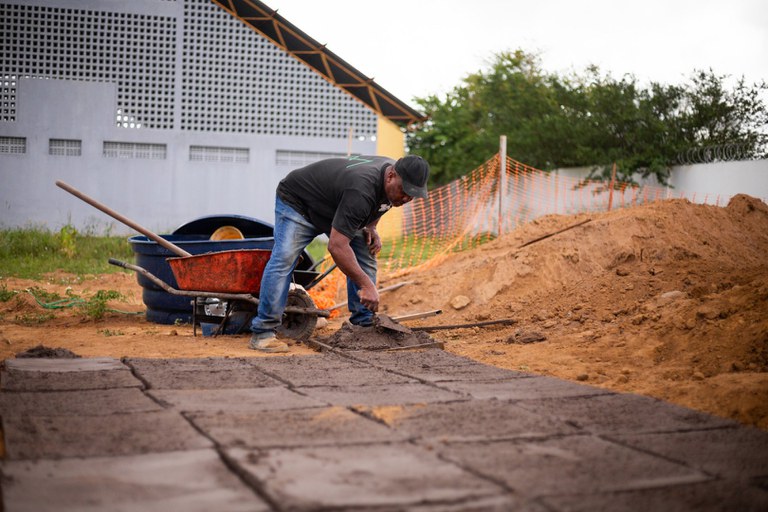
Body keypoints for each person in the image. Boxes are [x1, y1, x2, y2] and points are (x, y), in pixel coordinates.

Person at [249, 154, 430, 353]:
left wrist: (371, 226)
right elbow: (336, 246)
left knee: (365, 251)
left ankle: (363, 324)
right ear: (390, 176)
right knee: (284, 259)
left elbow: (381, 204)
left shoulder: (392, 184)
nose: (406, 199)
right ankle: (263, 332)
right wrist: (366, 285)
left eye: (412, 195)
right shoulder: (362, 189)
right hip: (299, 203)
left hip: (337, 208)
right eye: (404, 191)